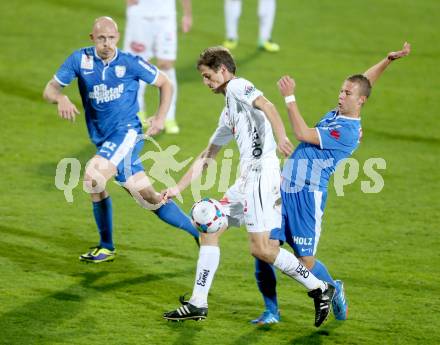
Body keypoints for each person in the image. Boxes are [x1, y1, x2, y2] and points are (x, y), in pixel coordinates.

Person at [162, 46, 335, 327]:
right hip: (246, 180)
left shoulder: (237, 86)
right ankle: (198, 302)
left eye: (208, 76)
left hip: (260, 176)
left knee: (262, 249)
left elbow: (268, 105)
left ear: (222, 70)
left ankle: (320, 288)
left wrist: (280, 138)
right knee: (208, 225)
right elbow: (207, 155)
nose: (206, 83)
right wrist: (178, 188)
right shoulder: (228, 112)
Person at [252, 42, 411, 324]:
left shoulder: (347, 131)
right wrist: (387, 61)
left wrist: (289, 98)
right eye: (340, 90)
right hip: (284, 186)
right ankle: (271, 311)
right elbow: (364, 82)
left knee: (306, 263)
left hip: (307, 196)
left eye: (346, 93)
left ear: (360, 101)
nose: (340, 96)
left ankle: (333, 288)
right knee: (265, 248)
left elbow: (301, 133)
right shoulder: (341, 112)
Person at [43, 16, 199, 263]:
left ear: (117, 37)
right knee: (149, 198)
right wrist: (60, 98)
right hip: (104, 140)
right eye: (102, 38)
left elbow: (165, 83)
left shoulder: (129, 62)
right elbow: (49, 89)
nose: (107, 43)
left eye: (112, 38)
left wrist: (160, 117)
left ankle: (106, 246)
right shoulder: (79, 60)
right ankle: (199, 232)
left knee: (93, 177)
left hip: (127, 132)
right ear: (92, 38)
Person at [123, 0, 193, 134]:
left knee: (166, 64)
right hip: (140, 16)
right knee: (137, 64)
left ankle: (168, 116)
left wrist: (187, 14)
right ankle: (136, 111)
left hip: (165, 17)